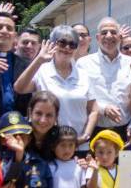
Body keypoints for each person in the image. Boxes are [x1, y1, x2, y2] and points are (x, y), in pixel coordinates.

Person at [14, 25, 99, 154]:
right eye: (62, 42)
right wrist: (39, 60)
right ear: (53, 44)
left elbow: (94, 110)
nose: (67, 48)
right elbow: (19, 88)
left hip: (77, 145)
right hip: (48, 144)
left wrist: (85, 136)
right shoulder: (42, 70)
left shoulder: (84, 75)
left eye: (72, 44)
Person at [76, 17, 131, 143]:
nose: (109, 36)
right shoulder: (83, 64)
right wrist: (103, 109)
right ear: (97, 38)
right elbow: (80, 97)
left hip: (125, 131)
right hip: (94, 131)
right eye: (104, 33)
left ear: (120, 37)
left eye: (113, 32)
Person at [0, 11, 31, 143]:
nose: (4, 31)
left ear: (14, 36)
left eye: (9, 28)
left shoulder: (26, 65)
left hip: (19, 132)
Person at [27, 91, 60, 161]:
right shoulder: (19, 136)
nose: (43, 120)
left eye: (49, 115)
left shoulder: (60, 138)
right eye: (38, 113)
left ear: (56, 117)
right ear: (30, 113)